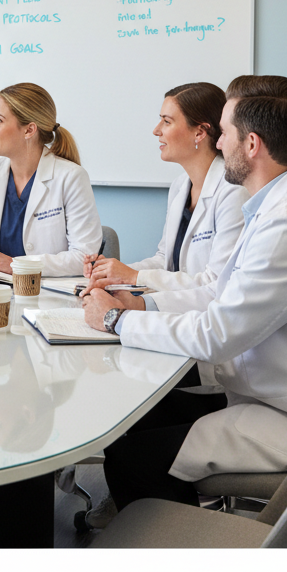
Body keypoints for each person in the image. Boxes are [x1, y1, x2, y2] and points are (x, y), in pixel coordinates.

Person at [80, 75, 287, 516]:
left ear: (251, 144)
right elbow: (219, 291)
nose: (217, 145)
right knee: (134, 417)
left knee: (133, 459)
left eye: (225, 134)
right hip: (275, 388)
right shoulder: (276, 205)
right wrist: (141, 304)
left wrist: (115, 321)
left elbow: (218, 334)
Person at [85, 82, 247, 392]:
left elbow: (216, 283)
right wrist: (114, 273)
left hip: (208, 347)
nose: (156, 130)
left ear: (200, 132)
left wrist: (135, 280)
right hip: (175, 324)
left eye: (167, 121)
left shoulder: (233, 193)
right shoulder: (179, 187)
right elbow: (164, 260)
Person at [0, 82, 102, 277]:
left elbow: (84, 257)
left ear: (29, 130)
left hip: (46, 294)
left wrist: (17, 264)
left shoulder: (71, 177)